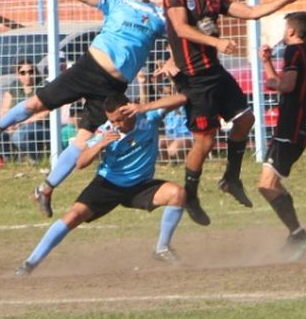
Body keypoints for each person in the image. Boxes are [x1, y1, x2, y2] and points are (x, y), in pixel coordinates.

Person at [0, 0, 167, 219]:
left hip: (113, 88)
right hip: (88, 69)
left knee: (82, 142)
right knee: (35, 103)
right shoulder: (116, 1)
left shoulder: (159, 16)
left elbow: (179, 36)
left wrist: (174, 60)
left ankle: (44, 189)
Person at [163, 0, 306, 226]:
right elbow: (181, 28)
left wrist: (286, 0)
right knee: (204, 140)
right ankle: (190, 194)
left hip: (214, 72)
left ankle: (231, 178)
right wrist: (217, 42)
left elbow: (252, 11)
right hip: (194, 78)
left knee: (246, 120)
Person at [15, 92, 189, 274]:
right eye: (112, 121)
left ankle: (162, 249)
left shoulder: (148, 117)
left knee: (178, 194)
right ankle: (30, 264)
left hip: (140, 185)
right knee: (73, 216)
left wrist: (144, 106)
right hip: (107, 184)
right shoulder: (105, 131)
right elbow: (81, 163)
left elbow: (182, 98)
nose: (115, 125)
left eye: (119, 120)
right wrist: (99, 145)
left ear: (129, 111)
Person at [257, 11, 306, 260]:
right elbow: (287, 82)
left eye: (286, 29)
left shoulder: (294, 52)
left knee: (267, 185)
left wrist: (275, 83)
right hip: (297, 127)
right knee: (269, 184)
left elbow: (286, 85)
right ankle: (296, 233)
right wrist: (267, 63)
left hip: (290, 128)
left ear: (292, 31)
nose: (284, 33)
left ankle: (298, 233)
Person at [0, 59, 48, 160]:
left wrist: (22, 123)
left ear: (35, 72)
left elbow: (45, 113)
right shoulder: (14, 86)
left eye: (31, 72)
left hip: (40, 124)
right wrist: (7, 123)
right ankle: (9, 161)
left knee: (19, 135)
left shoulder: (42, 85)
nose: (27, 76)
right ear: (18, 74)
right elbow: (4, 109)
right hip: (17, 123)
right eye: (23, 73)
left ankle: (36, 160)